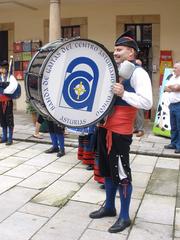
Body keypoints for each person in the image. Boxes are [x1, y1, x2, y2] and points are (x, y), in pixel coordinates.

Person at [89, 30, 152, 233]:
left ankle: (124, 217)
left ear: (131, 53)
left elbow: (147, 101)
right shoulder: (112, 70)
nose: (115, 53)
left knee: (122, 174)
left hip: (119, 131)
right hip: (103, 127)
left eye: (119, 49)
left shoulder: (138, 73)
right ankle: (109, 207)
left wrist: (124, 93)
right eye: (115, 49)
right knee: (107, 171)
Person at [0, 60, 18, 145]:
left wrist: (5, 90)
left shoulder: (10, 77)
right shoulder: (0, 77)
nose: (1, 69)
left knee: (9, 119)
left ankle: (10, 138)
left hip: (8, 102)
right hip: (0, 101)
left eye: (3, 68)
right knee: (2, 119)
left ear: (6, 68)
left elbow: (14, 87)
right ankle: (4, 137)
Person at [164, 62, 180, 154]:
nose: (173, 70)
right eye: (173, 68)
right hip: (172, 105)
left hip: (179, 105)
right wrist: (173, 87)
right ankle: (173, 143)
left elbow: (178, 88)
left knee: (179, 127)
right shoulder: (173, 77)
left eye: (175, 68)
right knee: (173, 126)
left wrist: (173, 87)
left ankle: (179, 146)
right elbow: (166, 88)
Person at [133, 59, 145, 137]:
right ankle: (135, 128)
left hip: (139, 95)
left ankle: (141, 129)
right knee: (134, 113)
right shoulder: (133, 72)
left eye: (137, 64)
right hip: (133, 95)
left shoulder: (142, 73)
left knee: (139, 113)